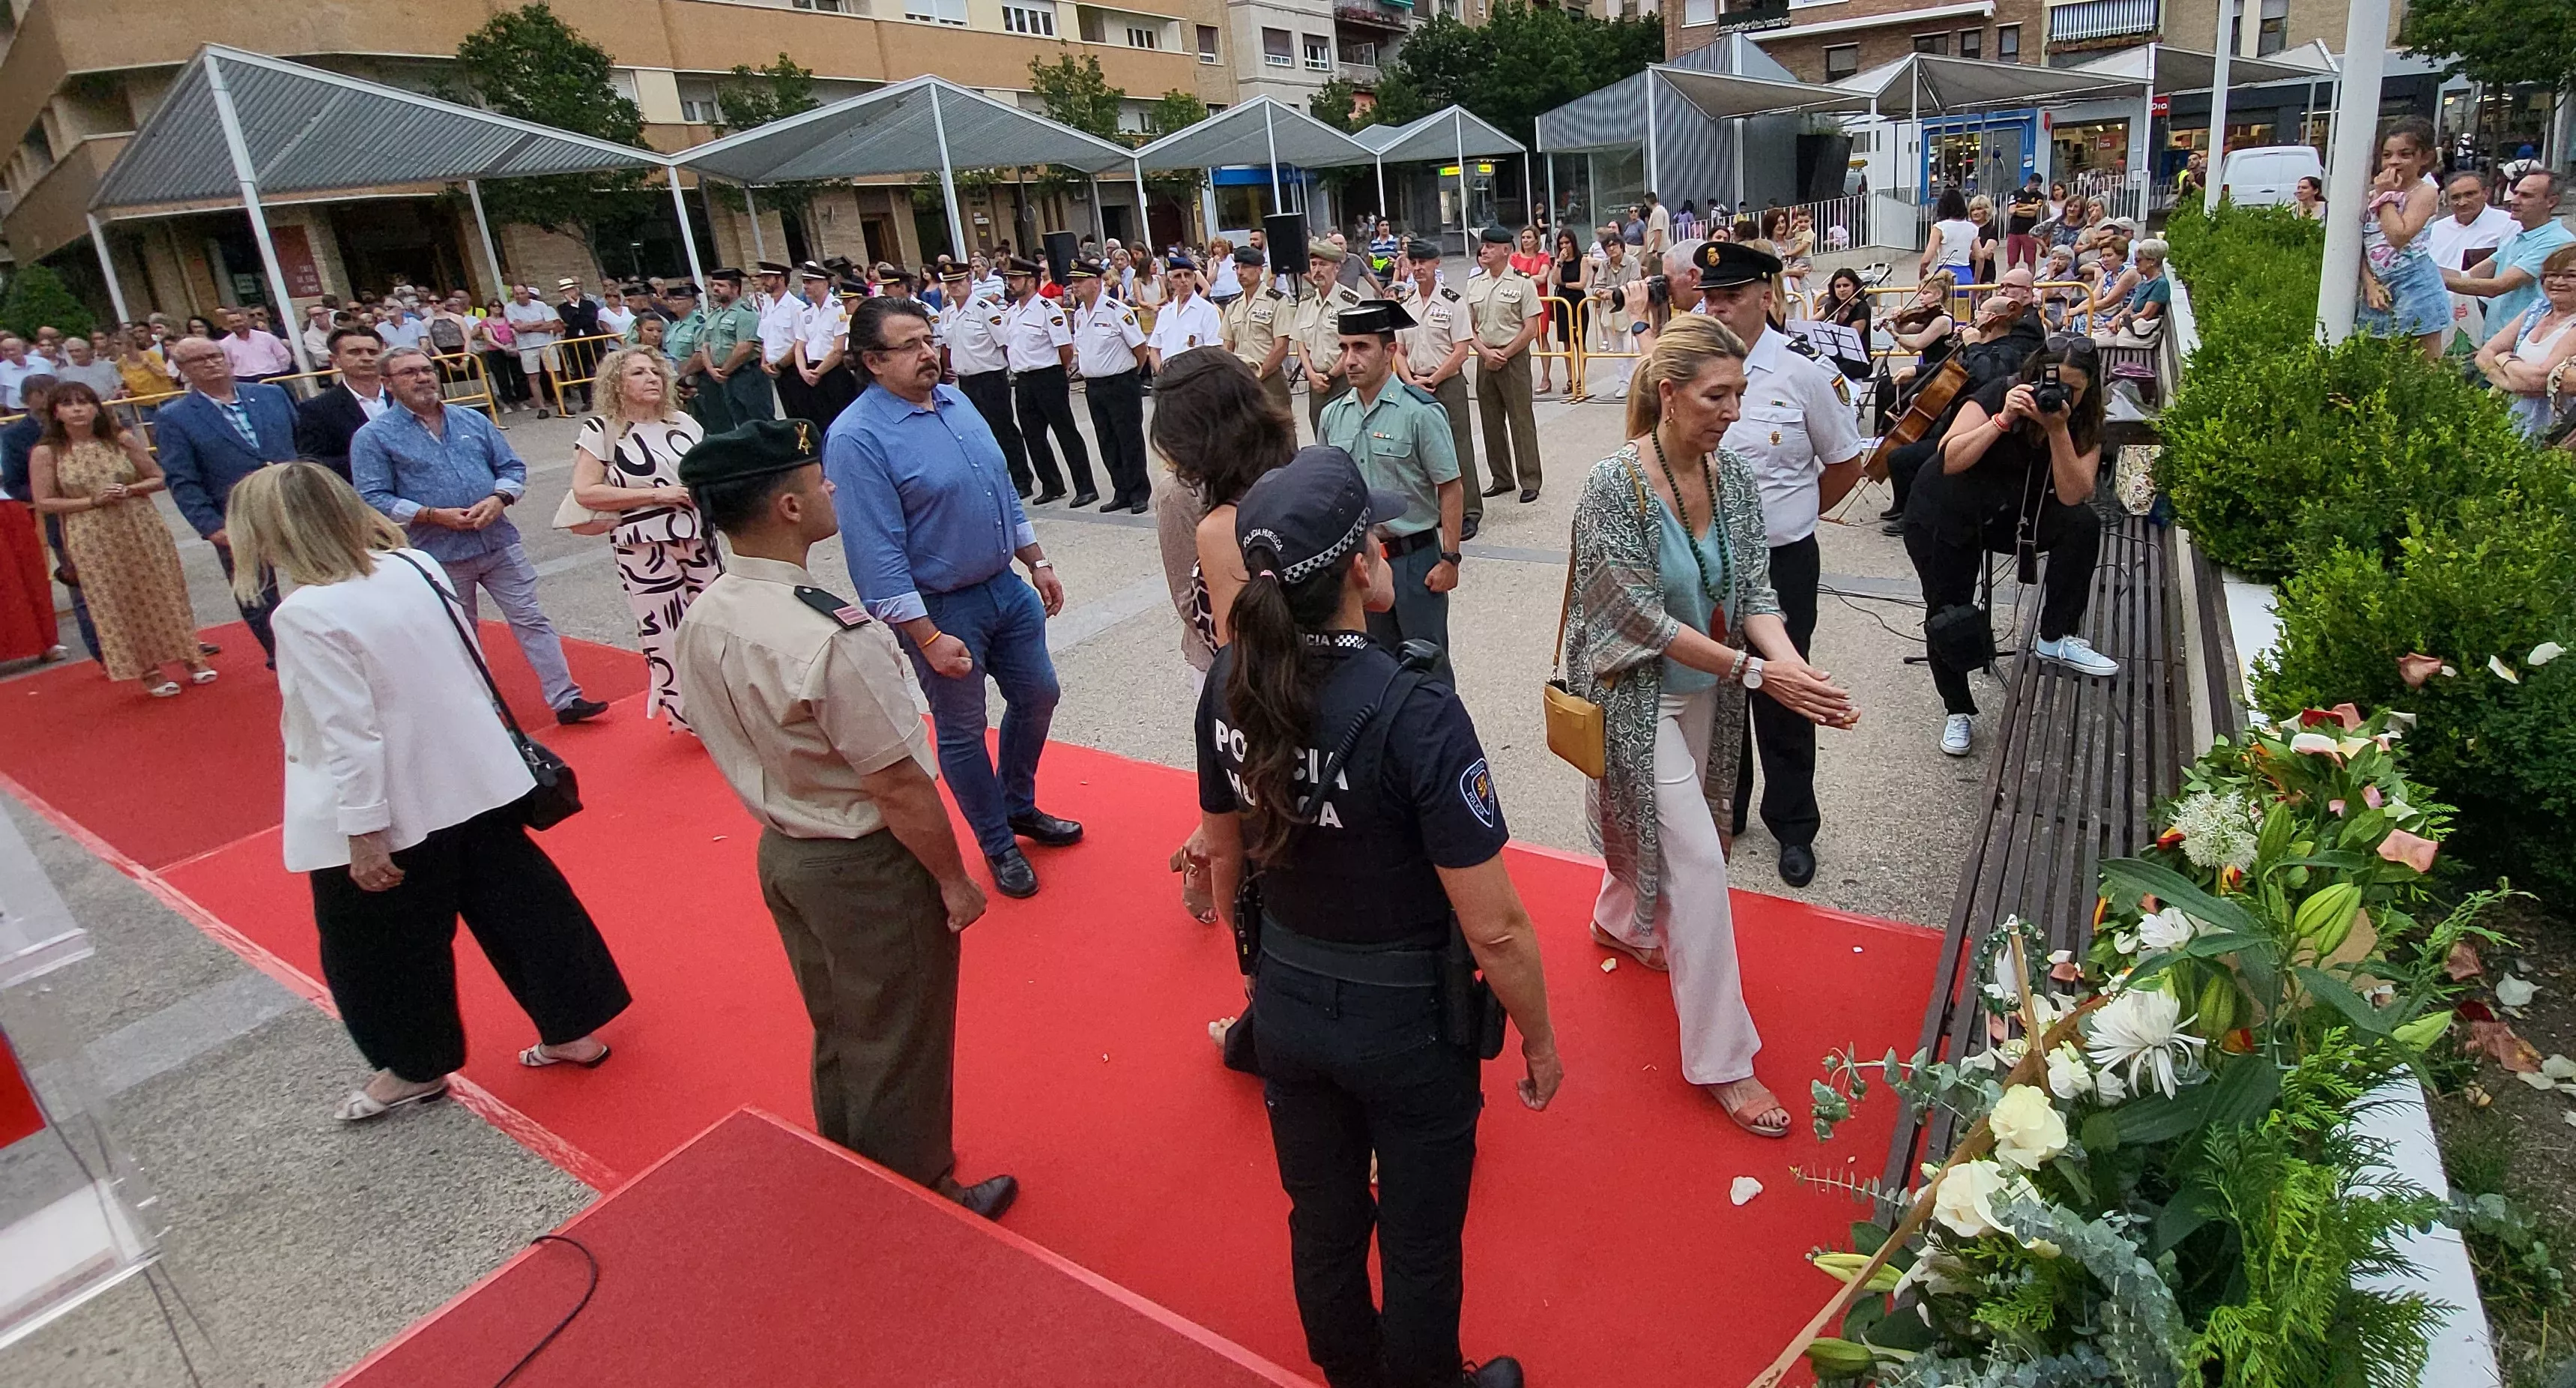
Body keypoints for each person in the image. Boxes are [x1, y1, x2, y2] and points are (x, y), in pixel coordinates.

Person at [1198, 444, 1558, 1388]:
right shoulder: (1417, 709)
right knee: (1420, 1231)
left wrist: (1259, 982)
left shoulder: (1227, 683)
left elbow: (1221, 851)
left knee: (1319, 1214)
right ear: (1363, 565)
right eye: (1378, 538)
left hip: (1287, 994)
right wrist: (1541, 1036)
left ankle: (1348, 1368)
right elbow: (1497, 927)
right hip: (1407, 1021)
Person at [670, 417, 1017, 1216]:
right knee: (902, 1033)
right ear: (787, 506)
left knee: (840, 1019)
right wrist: (953, 882)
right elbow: (898, 784)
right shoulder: (830, 635)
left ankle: (852, 1150)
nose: (830, 488)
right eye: (816, 479)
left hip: (785, 846)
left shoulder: (713, 609)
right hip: (862, 859)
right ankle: (921, 1187)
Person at [227, 462, 628, 1123]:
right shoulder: (415, 567)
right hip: (476, 775)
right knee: (523, 908)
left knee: (378, 950)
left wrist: (361, 830)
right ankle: (572, 1028)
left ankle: (414, 1065)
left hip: (398, 802)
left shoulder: (306, 612)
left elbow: (346, 730)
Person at [1563, 314, 1854, 1138]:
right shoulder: (1611, 485)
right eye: (1717, 395)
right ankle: (1725, 1060)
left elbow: (1758, 591)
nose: (1734, 410)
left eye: (1740, 392)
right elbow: (1639, 623)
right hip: (1633, 692)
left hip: (1706, 690)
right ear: (1669, 392)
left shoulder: (1733, 481)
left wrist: (1793, 670)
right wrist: (1759, 673)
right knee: (1697, 859)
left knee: (1658, 828)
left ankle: (1619, 919)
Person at [830, 298, 1080, 901]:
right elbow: (876, 557)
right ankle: (996, 843)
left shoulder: (956, 400)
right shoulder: (857, 438)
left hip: (1005, 587)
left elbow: (1000, 492)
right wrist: (926, 637)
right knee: (963, 730)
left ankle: (1018, 804)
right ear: (872, 361)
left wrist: (1036, 560)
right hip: (941, 608)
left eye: (929, 339)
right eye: (910, 346)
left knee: (1038, 692)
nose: (928, 354)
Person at [1693, 242, 1864, 889]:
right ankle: (1728, 810)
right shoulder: (1693, 369)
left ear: (1767, 293)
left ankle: (1793, 825)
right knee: (1719, 682)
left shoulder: (1804, 373)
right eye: (1710, 297)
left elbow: (1845, 462)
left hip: (1782, 561)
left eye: (1731, 296)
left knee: (1785, 691)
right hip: (1709, 561)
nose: (1717, 308)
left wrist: (1791, 519)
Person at [352, 347, 608, 725]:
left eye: (426, 370)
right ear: (387, 383)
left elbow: (511, 467)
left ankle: (566, 698)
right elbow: (372, 496)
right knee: (460, 632)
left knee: (531, 618)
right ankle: (482, 712)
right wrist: (430, 515)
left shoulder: (470, 419)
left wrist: (500, 497)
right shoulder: (374, 437)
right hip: (437, 551)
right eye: (409, 373)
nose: (422, 378)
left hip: (498, 540)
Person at [1905, 336, 2116, 758]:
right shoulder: (1999, 392)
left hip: (2013, 511)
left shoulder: (2086, 418)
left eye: (2071, 388)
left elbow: (2076, 493)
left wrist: (2058, 428)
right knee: (1950, 613)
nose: (2055, 393)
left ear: (2089, 388)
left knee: (2082, 526)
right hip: (1945, 509)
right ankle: (1957, 710)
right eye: (2049, 383)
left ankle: (2055, 636)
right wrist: (2002, 419)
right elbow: (1951, 459)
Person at [568, 346, 724, 728]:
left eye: (655, 372)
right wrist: (657, 494)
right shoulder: (602, 429)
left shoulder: (684, 423)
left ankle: (727, 706)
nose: (651, 378)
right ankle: (690, 716)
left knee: (716, 622)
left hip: (697, 536)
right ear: (617, 383)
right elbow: (586, 491)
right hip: (642, 545)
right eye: (638, 373)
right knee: (665, 631)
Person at [29, 381, 212, 694]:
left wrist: (131, 489)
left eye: (85, 402)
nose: (78, 410)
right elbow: (44, 501)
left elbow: (158, 477)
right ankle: (148, 670)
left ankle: (191, 656)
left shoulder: (120, 439)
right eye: (69, 404)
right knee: (116, 598)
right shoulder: (48, 452)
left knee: (163, 588)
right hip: (90, 532)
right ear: (56, 412)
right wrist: (92, 500)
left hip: (139, 523)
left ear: (97, 408)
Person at [1316, 298, 1466, 672]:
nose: (1350, 359)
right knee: (1371, 669)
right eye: (1345, 348)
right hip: (1359, 563)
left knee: (1427, 669)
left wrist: (1450, 558)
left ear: (1390, 351)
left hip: (1415, 563)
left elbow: (1450, 487)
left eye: (1362, 347)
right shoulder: (1334, 416)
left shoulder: (1420, 412)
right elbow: (1324, 490)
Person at [157, 335, 301, 658]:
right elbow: (182, 479)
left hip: (294, 503)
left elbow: (301, 443)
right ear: (182, 370)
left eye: (214, 355)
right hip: (236, 517)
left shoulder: (271, 395)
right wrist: (210, 527)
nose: (210, 363)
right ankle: (280, 657)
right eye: (198, 360)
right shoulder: (175, 417)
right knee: (256, 594)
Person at [1392, 240, 1487, 541]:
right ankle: (1434, 508)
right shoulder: (1406, 305)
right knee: (1422, 451)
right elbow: (1398, 351)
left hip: (1446, 384)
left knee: (1458, 448)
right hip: (1415, 383)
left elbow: (1461, 350)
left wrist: (1434, 379)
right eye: (1413, 263)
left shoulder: (1452, 301)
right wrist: (1409, 381)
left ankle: (1469, 511)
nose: (1418, 268)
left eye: (1424, 262)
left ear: (1437, 264)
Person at [997, 256, 1098, 507]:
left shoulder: (1047, 309)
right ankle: (1052, 484)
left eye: (1016, 279)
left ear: (1030, 281)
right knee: (1033, 435)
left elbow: (1064, 348)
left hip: (1048, 376)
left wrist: (1058, 373)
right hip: (1023, 380)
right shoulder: (1012, 313)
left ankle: (1086, 487)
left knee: (1066, 433)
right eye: (1009, 279)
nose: (1011, 284)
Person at [932, 262, 1036, 501]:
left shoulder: (984, 309)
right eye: (950, 283)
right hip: (966, 381)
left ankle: (1021, 479)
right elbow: (947, 345)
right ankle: (992, 478)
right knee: (975, 432)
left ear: (969, 281)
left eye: (959, 281)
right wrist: (945, 368)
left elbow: (1005, 344)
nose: (954, 287)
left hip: (990, 378)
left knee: (1002, 429)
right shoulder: (948, 313)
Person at [1463, 226, 1549, 504]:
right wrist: (1485, 353)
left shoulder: (1522, 284)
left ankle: (1530, 479)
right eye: (1483, 247)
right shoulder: (1475, 284)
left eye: (1490, 246)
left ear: (1506, 251)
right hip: (1485, 357)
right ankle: (1501, 477)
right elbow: (1469, 327)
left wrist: (1505, 353)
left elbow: (1531, 327)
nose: (1484, 251)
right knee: (1490, 420)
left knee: (1520, 419)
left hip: (1513, 357)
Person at [2354, 116, 2449, 360]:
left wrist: (2385, 197)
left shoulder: (2425, 192)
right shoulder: (2369, 194)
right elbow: (2359, 246)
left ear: (2424, 158)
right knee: (2380, 364)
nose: (2394, 162)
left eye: (2405, 154)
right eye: (2387, 155)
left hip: (2416, 287)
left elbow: (2398, 235)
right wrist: (2369, 283)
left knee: (2424, 368)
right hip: (2380, 287)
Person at [1066, 259, 1152, 513]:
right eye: (1073, 282)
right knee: (1107, 440)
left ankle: (1138, 492)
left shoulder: (1116, 311)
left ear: (1097, 282)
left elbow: (1140, 349)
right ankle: (1121, 490)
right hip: (1094, 386)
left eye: (1079, 281)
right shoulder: (1080, 315)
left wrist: (1130, 376)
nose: (1074, 287)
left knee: (1129, 439)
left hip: (1121, 382)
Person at [2446, 171, 2573, 340]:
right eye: (2515, 193)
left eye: (2526, 196)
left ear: (2551, 202)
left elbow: (2497, 287)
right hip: (2495, 339)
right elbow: (2469, 275)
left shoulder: (2556, 241)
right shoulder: (2517, 235)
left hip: (2524, 341)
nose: (2514, 201)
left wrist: (2435, 281)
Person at [2475, 244, 2576, 440]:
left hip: (2553, 432)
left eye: (2571, 275)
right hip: (2510, 419)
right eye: (2551, 275)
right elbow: (2484, 355)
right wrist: (2512, 383)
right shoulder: (2537, 309)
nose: (2558, 282)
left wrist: (2504, 359)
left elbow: (2540, 380)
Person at [292, 327, 393, 483]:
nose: (366, 358)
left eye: (373, 352)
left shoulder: (404, 397)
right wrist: (377, 460)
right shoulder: (317, 409)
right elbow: (313, 463)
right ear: (335, 359)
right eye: (355, 352)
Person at [1295, 240, 1369, 436]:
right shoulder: (1306, 302)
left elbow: (1356, 345)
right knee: (1321, 435)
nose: (1317, 270)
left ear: (1336, 268)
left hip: (1344, 380)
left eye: (1323, 265)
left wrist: (1331, 376)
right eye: (1314, 265)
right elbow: (1300, 341)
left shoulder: (1350, 302)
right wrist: (1310, 374)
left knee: (1348, 436)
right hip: (1316, 382)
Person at [1221, 244, 1296, 420]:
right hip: (1241, 381)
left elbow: (1281, 347)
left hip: (1270, 379)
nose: (1240, 272)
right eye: (1237, 267)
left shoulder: (1276, 301)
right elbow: (1227, 346)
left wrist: (1258, 374)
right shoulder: (1233, 306)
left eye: (1245, 267)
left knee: (1282, 435)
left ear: (1259, 270)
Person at [787, 262, 858, 429]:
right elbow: (799, 346)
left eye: (810, 282)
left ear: (825, 283)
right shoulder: (806, 313)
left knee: (841, 417)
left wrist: (816, 373)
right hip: (811, 371)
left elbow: (838, 349)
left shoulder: (838, 310)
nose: (806, 287)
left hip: (833, 371)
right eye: (805, 282)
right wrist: (804, 371)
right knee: (820, 419)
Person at [704, 268, 775, 427]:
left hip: (747, 375)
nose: (715, 289)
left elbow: (744, 348)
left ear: (735, 288)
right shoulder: (715, 315)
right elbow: (706, 345)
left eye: (721, 286)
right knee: (742, 423)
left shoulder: (745, 313)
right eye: (714, 285)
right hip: (726, 378)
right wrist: (711, 369)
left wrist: (723, 371)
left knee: (761, 421)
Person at [1147, 254, 1225, 377]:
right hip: (1168, 379)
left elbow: (1214, 351)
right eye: (1178, 276)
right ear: (1171, 281)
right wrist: (1162, 374)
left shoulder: (1207, 311)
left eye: (1187, 275)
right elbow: (1154, 349)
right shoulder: (1165, 313)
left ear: (1195, 279)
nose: (1184, 280)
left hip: (1196, 380)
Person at [2090, 238, 2171, 346]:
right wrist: (2116, 319)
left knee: (2087, 341)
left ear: (2152, 261)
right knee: (2086, 337)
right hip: (2128, 327)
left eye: (2138, 260)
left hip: (2137, 333)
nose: (2135, 263)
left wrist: (2121, 322)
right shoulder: (2144, 283)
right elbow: (2130, 308)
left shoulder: (2160, 284)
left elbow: (2146, 314)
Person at [1541, 229, 1585, 399]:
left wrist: (1565, 284)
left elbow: (1581, 284)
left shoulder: (1582, 260)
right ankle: (1571, 378)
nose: (1565, 246)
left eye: (1567, 243)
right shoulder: (1560, 262)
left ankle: (1581, 377)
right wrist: (1559, 262)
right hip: (1562, 303)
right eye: (1561, 243)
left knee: (1579, 342)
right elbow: (1554, 280)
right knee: (1566, 342)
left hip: (1577, 303)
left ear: (1573, 243)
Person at [217, 307, 297, 387]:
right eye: (232, 322)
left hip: (273, 378)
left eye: (239, 321)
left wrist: (278, 372)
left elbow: (284, 356)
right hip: (245, 381)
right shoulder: (225, 344)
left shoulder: (267, 337)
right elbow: (227, 365)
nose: (236, 324)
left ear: (247, 320)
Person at [1921, 188, 1978, 292]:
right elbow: (1980, 256)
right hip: (1966, 274)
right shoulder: (1972, 228)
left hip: (1945, 274)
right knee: (1963, 307)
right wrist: (1976, 282)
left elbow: (1926, 259)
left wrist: (1922, 271)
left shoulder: (1940, 227)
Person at [51, 334, 124, 401]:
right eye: (71, 351)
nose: (74, 354)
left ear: (88, 351)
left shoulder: (109, 366)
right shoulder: (64, 373)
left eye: (78, 350)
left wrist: (111, 399)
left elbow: (120, 385)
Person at [2004, 180, 2046, 272]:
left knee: (2030, 261)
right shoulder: (2015, 193)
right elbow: (2011, 211)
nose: (2037, 187)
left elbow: (2032, 213)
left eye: (2038, 185)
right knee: (2011, 261)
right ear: (2029, 183)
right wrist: (2028, 208)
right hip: (2014, 231)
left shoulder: (2039, 196)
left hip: (2029, 232)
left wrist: (2019, 208)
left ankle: (2030, 282)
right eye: (2035, 185)